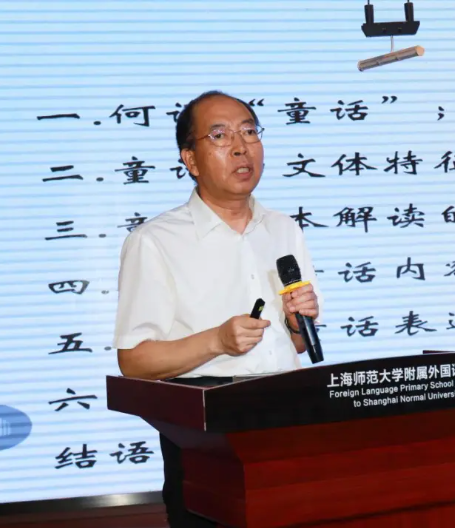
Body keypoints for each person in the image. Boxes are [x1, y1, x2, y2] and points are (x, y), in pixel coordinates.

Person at [112, 90, 322, 527]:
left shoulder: (283, 229)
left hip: (288, 421)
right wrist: (217, 341)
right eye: (221, 135)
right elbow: (134, 361)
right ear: (190, 159)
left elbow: (297, 345)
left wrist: (295, 325)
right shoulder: (155, 241)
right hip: (206, 435)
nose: (242, 147)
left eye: (249, 132)